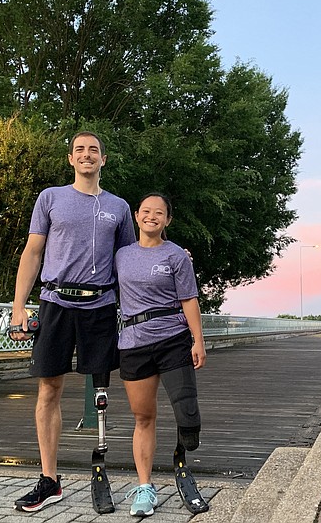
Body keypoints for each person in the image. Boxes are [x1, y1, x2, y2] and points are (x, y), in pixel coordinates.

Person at [10, 131, 136, 513]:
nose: (87, 155)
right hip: (55, 302)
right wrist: (18, 306)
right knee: (49, 388)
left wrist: (174, 256)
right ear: (71, 159)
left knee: (101, 391)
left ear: (104, 159)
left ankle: (101, 469)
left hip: (100, 305)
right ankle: (50, 480)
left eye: (93, 150)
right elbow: (33, 252)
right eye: (80, 150)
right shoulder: (51, 198)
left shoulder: (118, 207)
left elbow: (130, 260)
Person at [116, 193, 208, 517]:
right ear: (137, 216)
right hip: (133, 343)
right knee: (143, 418)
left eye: (159, 213)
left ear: (167, 220)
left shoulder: (177, 256)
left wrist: (198, 340)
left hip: (173, 339)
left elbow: (189, 300)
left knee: (187, 414)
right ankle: (145, 487)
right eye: (146, 211)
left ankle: (182, 459)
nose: (151, 216)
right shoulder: (121, 254)